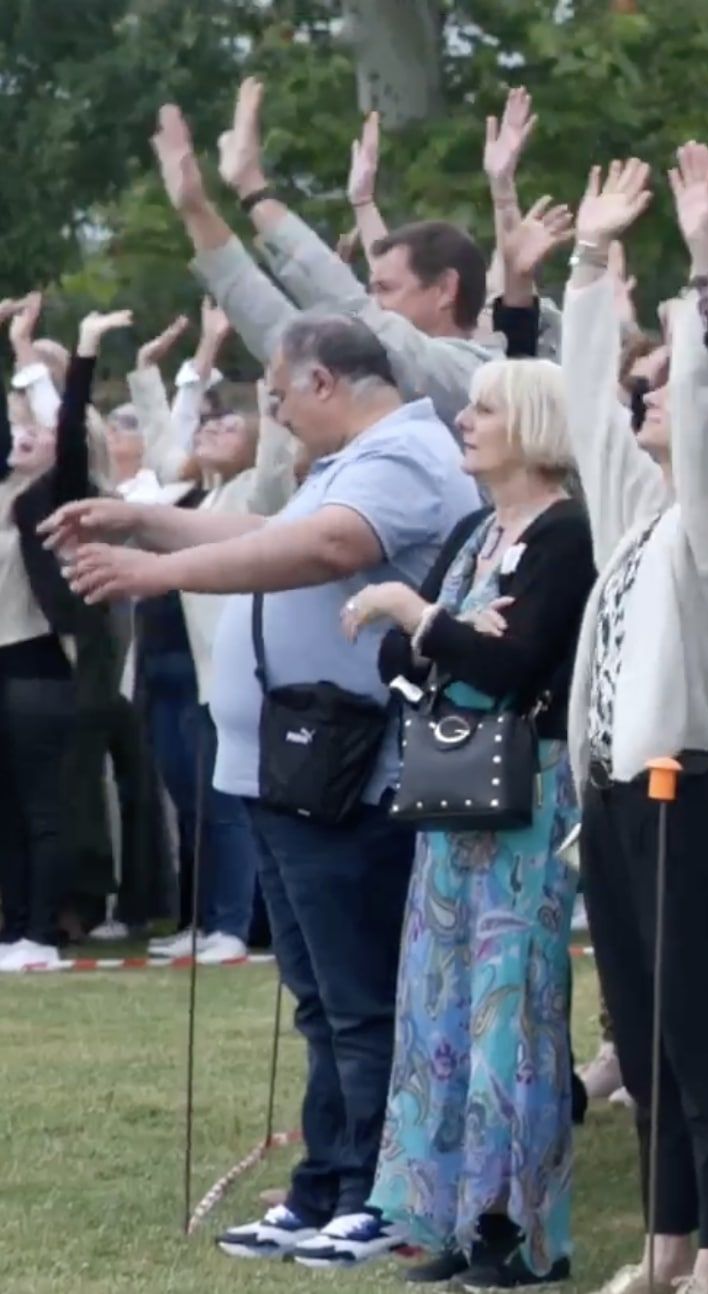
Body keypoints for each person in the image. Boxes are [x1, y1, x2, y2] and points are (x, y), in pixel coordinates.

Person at [53, 309, 482, 1267]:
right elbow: (270, 529)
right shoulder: (349, 461)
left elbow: (322, 548)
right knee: (319, 1000)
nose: (277, 417)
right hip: (292, 772)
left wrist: (153, 569)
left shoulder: (403, 455)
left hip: (350, 774)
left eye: (280, 397)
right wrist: (142, 516)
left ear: (325, 382)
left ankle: (380, 1192)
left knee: (359, 997)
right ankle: (323, 1182)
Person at [557, 154, 708, 1294]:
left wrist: (702, 279)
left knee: (698, 1030)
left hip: (681, 794)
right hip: (612, 800)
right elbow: (589, 410)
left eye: (666, 392)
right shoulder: (637, 530)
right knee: (640, 1038)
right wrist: (589, 263)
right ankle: (665, 1239)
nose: (646, 398)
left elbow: (689, 412)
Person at [358, 357, 593, 1287]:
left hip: (528, 800)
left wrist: (423, 618)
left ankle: (522, 1229)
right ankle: (452, 1213)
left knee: (514, 1010)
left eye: (485, 408)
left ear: (532, 424)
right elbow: (399, 664)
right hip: (455, 790)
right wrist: (443, 634)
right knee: (440, 1004)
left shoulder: (566, 536)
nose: (467, 420)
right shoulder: (475, 532)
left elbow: (514, 663)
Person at [160, 82, 495, 430]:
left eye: (386, 289)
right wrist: (196, 210)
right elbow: (278, 330)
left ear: (444, 289)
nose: (373, 301)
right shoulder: (375, 377)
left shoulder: (479, 377)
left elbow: (361, 314)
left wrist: (254, 190)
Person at [134, 301, 291, 964]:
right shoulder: (182, 494)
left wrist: (267, 359)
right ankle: (205, 919)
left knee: (226, 801)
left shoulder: (255, 492)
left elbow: (283, 445)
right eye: (209, 423)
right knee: (191, 800)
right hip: (164, 666)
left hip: (220, 670)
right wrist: (192, 357)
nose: (213, 430)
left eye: (232, 424)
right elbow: (165, 438)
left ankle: (234, 924)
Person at [0, 304, 132, 971]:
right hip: (4, 673)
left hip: (39, 668)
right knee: (8, 817)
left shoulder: (52, 500)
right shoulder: (7, 496)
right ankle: (14, 930)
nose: (24, 435)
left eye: (34, 429)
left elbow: (71, 430)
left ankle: (43, 935)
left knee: (44, 808)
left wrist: (78, 351)